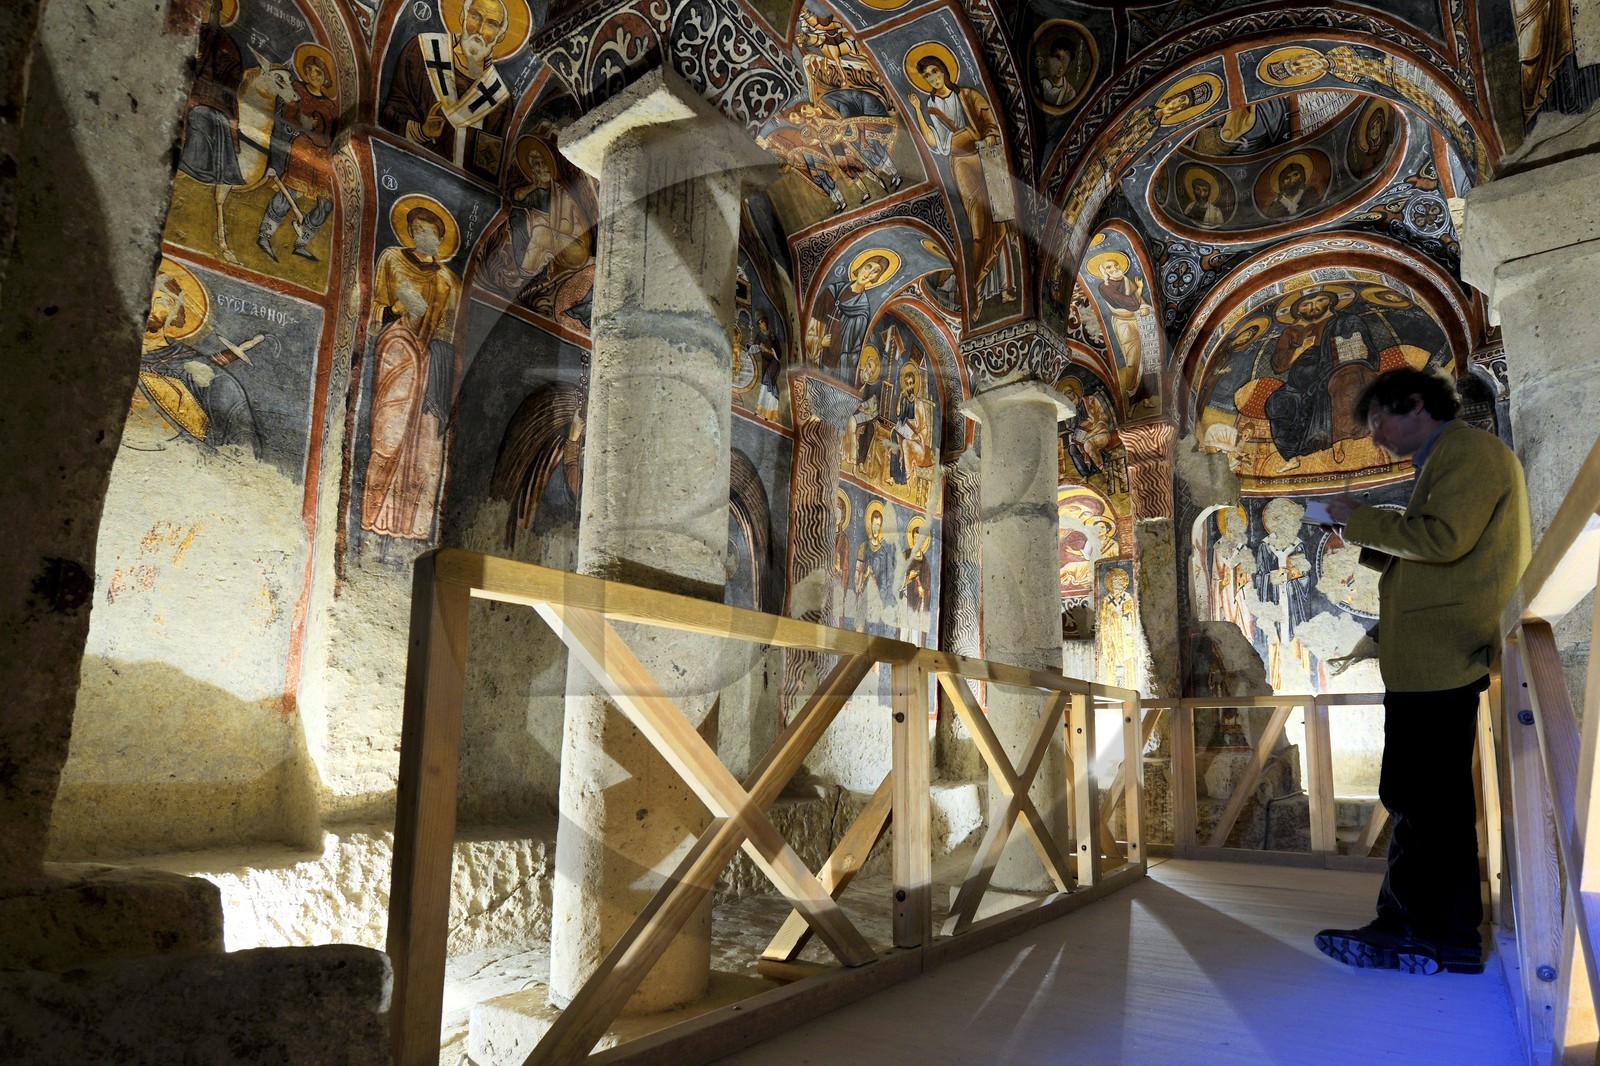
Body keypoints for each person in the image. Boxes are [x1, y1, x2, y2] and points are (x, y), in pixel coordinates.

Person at [1315, 368, 1530, 976]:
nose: (1375, 439)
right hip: (1432, 657)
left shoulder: (1468, 451)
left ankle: (1414, 929)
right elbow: (1437, 550)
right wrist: (1362, 529)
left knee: (1423, 801)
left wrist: (1358, 516)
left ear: (1412, 404)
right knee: (1427, 799)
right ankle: (1450, 935)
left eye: (1377, 422)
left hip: (1440, 655)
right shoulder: (1449, 459)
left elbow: (1443, 539)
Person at [380, 0, 516, 179]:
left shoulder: (500, 99)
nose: (480, 30)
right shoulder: (421, 50)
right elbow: (391, 112)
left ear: (500, 35)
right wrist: (422, 132)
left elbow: (486, 170)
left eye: (492, 25)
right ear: (462, 16)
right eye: (475, 16)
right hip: (404, 169)